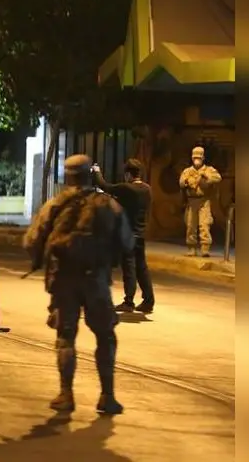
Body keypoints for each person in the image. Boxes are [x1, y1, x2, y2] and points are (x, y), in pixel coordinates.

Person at [23, 154, 133, 415]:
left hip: (63, 280)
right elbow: (128, 242)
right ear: (90, 175)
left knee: (65, 336)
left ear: (67, 176)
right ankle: (107, 397)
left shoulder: (55, 204)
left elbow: (31, 241)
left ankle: (66, 395)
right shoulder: (108, 205)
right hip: (95, 279)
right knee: (105, 336)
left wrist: (44, 257)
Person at [93, 158, 155, 313]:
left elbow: (104, 186)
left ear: (128, 174)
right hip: (140, 233)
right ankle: (149, 300)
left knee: (129, 268)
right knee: (142, 267)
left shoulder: (127, 188)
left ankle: (129, 302)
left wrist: (96, 171)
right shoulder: (147, 189)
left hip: (128, 234)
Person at [179, 146, 222, 257]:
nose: (196, 160)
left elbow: (217, 178)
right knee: (190, 225)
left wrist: (206, 177)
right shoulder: (188, 171)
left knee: (204, 225)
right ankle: (191, 247)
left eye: (199, 157)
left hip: (204, 201)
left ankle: (205, 248)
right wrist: (188, 181)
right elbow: (181, 182)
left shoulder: (209, 169)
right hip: (191, 201)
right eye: (194, 158)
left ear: (203, 158)